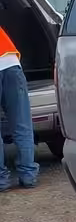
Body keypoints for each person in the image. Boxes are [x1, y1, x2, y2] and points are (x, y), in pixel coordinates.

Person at [0, 26, 38, 190]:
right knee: (22, 124)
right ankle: (28, 176)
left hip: (10, 65)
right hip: (11, 65)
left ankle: (1, 180)